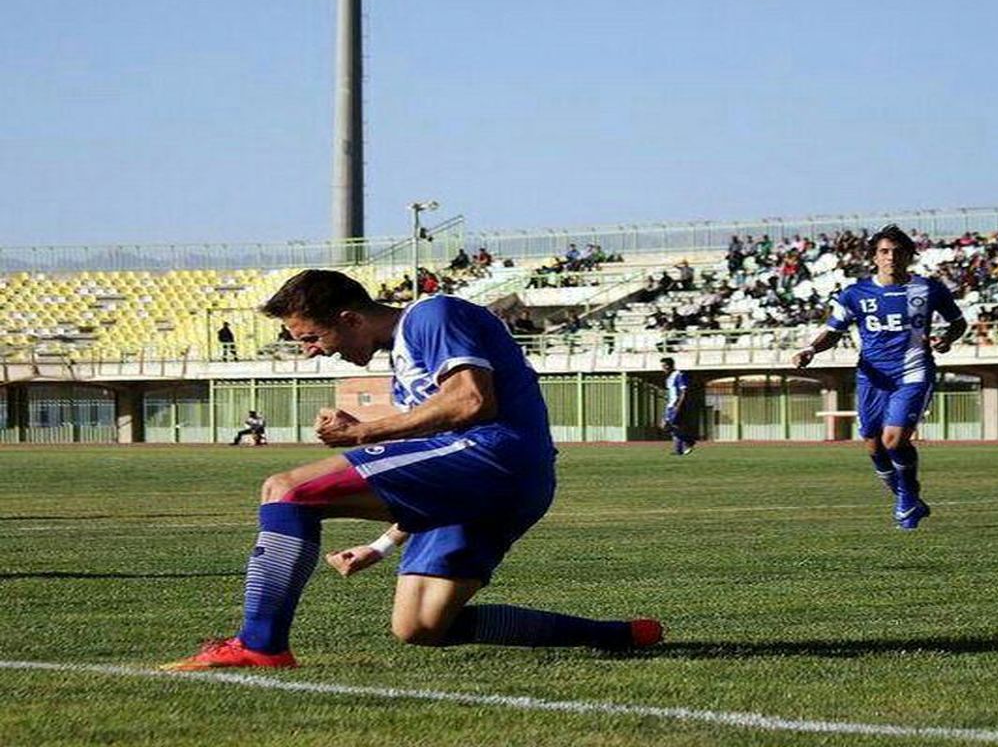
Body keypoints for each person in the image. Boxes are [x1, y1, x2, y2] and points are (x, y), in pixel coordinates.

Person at [165, 270, 662, 671]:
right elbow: (430, 467)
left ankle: (260, 645)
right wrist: (381, 545)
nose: (311, 350)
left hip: (495, 456)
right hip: (498, 482)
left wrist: (367, 432)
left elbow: (470, 400)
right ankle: (617, 636)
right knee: (421, 627)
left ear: (349, 317)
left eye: (311, 338)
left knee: (287, 489)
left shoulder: (432, 315)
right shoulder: (405, 371)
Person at [793, 224, 967, 530]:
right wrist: (810, 350)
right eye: (884, 252)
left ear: (910, 256)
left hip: (913, 370)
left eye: (898, 252)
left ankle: (908, 496)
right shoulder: (855, 294)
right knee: (874, 445)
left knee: (894, 439)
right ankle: (906, 497)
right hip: (872, 376)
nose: (891, 257)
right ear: (874, 257)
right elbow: (833, 332)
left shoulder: (929, 289)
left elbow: (958, 322)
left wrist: (947, 339)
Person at [660, 357, 695, 456]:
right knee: (674, 427)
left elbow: (684, 391)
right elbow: (672, 392)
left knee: (668, 426)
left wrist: (679, 405)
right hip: (670, 406)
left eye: (663, 366)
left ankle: (688, 441)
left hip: (676, 405)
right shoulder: (669, 378)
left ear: (668, 366)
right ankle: (679, 450)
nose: (662, 368)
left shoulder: (679, 375)